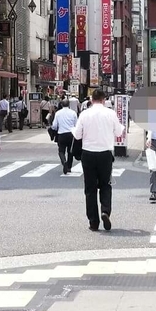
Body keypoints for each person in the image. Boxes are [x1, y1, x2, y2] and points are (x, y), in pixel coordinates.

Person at [74, 90, 120, 232]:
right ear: (104, 100)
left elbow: (77, 135)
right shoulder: (110, 113)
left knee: (90, 188)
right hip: (105, 153)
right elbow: (118, 133)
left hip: (88, 153)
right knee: (106, 185)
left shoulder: (84, 114)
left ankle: (94, 222)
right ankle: (105, 211)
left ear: (91, 99)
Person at [51, 102, 78, 176]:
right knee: (70, 151)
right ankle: (69, 167)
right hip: (71, 134)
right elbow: (76, 124)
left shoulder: (58, 113)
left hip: (61, 134)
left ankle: (64, 162)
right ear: (69, 104)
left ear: (62, 105)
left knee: (61, 151)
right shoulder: (73, 113)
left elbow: (54, 125)